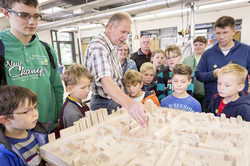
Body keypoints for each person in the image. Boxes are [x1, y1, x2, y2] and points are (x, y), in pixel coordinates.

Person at [0, 0, 64, 134]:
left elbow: (56, 87)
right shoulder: (2, 49)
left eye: (36, 16)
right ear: (6, 13)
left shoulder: (46, 49)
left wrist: (59, 115)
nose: (32, 22)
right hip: (15, 134)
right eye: (24, 15)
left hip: (48, 126)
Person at [83, 12, 147, 127]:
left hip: (113, 101)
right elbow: (107, 83)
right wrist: (130, 105)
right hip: (104, 104)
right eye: (123, 32)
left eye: (128, 33)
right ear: (111, 27)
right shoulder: (99, 47)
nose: (126, 37)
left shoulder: (112, 46)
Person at [196, 16, 250, 111]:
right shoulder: (208, 54)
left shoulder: (246, 50)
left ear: (234, 31)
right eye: (218, 33)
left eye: (225, 32)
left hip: (239, 105)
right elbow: (199, 75)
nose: (221, 37)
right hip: (213, 105)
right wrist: (213, 74)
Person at [0, 85, 51, 166]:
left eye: (35, 107)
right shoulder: (3, 154)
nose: (35, 113)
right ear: (5, 120)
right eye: (27, 111)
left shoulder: (38, 133)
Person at [60, 64, 93, 129]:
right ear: (69, 89)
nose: (88, 90)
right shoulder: (73, 113)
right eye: (83, 88)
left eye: (89, 86)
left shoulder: (81, 103)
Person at [182, 36, 207, 112]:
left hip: (205, 95)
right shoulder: (187, 60)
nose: (198, 47)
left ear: (205, 45)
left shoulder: (208, 59)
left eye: (200, 44)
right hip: (190, 94)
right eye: (196, 45)